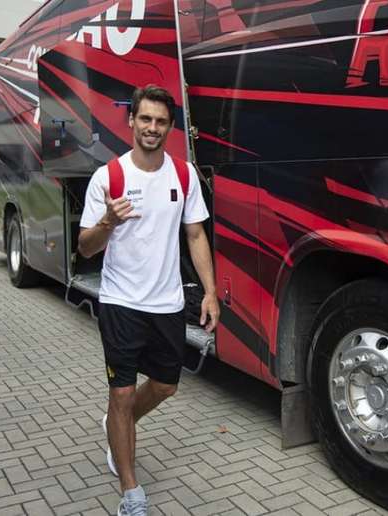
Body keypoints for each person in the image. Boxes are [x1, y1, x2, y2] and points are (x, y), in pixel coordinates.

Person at [77, 84, 219, 516]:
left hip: (168, 304)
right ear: (131, 121)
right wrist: (106, 221)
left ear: (170, 127)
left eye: (160, 121)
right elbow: (85, 248)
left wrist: (210, 292)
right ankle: (131, 492)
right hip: (121, 303)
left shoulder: (183, 174)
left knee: (166, 386)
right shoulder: (109, 177)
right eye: (145, 119)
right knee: (120, 395)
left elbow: (195, 233)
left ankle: (116, 428)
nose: (152, 128)